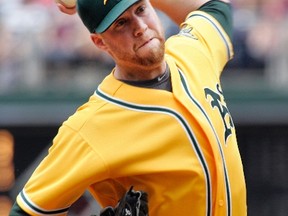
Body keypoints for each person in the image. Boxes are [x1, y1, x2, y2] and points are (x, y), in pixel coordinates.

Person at [10, 0, 247, 215]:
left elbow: (215, 8)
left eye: (141, 9)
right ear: (100, 42)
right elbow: (27, 211)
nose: (140, 27)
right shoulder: (90, 127)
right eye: (121, 23)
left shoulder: (192, 52)